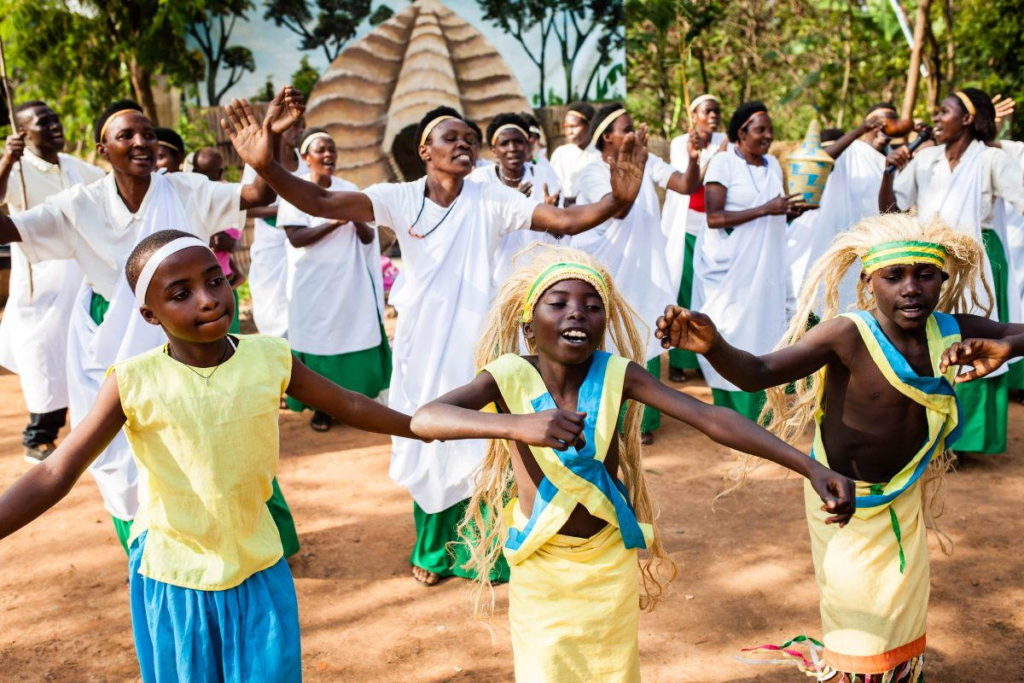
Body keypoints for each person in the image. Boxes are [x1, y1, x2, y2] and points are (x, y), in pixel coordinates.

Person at [221, 96, 649, 585]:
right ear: (425, 150)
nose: (463, 144)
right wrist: (267, 166)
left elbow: (566, 222)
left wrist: (617, 201)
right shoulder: (400, 197)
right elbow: (319, 204)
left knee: (488, 440)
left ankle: (490, 551)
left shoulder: (491, 199)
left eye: (469, 139)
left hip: (481, 345)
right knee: (429, 440)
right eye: (451, 138)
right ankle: (433, 553)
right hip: (421, 345)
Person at [410, 245, 854, 682]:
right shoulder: (507, 375)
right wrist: (517, 425)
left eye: (591, 306)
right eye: (558, 302)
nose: (577, 313)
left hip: (608, 562)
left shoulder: (618, 374)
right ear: (529, 323)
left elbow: (711, 418)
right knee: (547, 668)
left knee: (613, 670)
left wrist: (810, 466)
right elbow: (427, 419)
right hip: (541, 564)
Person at [0, 229, 420, 681]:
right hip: (175, 574)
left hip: (256, 563)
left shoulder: (269, 357)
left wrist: (419, 426)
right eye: (181, 294)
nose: (208, 299)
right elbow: (56, 472)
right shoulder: (134, 380)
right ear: (150, 314)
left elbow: (350, 404)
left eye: (215, 281)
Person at [657, 213, 1024, 681]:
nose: (911, 288)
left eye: (925, 274)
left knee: (903, 605)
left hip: (902, 496)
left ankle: (901, 672)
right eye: (894, 276)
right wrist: (714, 347)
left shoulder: (949, 329)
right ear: (870, 282)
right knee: (856, 615)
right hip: (842, 498)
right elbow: (759, 373)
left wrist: (1009, 347)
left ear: (942, 279)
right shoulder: (847, 334)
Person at [0, 89, 298, 556]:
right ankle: (151, 556)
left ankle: (257, 543)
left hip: (189, 338)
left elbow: (257, 193)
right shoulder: (78, 203)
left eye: (147, 133)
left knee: (219, 436)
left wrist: (270, 145)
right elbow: (7, 230)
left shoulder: (184, 189)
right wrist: (3, 166)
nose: (142, 141)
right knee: (119, 458)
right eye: (126, 134)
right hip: (110, 342)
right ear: (103, 149)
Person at [880, 87, 1024, 454]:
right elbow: (892, 209)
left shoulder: (991, 160)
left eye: (945, 111)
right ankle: (931, 430)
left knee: (977, 329)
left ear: (968, 118)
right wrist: (888, 171)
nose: (937, 119)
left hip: (982, 257)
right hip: (929, 262)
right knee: (933, 334)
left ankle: (970, 439)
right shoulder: (926, 161)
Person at [572, 102, 712, 443]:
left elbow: (685, 185)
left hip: (645, 266)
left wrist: (693, 158)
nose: (634, 133)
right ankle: (610, 423)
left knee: (644, 333)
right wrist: (629, 175)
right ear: (607, 136)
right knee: (611, 338)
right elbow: (616, 211)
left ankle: (642, 423)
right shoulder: (589, 170)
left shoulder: (647, 161)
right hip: (611, 266)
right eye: (626, 128)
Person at [0, 101, 104, 463]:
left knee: (83, 353)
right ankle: (38, 438)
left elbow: (109, 186)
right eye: (44, 122)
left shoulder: (74, 166)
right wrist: (6, 163)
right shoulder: (18, 170)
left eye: (56, 118)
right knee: (45, 361)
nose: (56, 125)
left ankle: (91, 434)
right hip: (40, 288)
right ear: (24, 133)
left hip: (77, 278)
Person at [691, 100, 807, 420]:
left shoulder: (771, 165)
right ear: (741, 132)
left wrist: (787, 212)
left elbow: (771, 212)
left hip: (765, 266)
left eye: (770, 130)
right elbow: (714, 217)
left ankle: (764, 414)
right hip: (728, 266)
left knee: (765, 331)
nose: (768, 136)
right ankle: (731, 416)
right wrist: (766, 210)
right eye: (760, 130)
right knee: (731, 332)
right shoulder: (723, 164)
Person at [278, 128, 391, 431]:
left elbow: (368, 237)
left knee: (352, 333)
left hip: (348, 281)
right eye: (321, 150)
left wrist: (354, 217)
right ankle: (322, 409)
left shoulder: (348, 188)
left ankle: (355, 403)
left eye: (332, 150)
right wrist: (335, 219)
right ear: (306, 157)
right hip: (313, 284)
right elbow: (297, 237)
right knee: (318, 341)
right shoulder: (295, 189)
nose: (328, 155)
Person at [786, 104, 894, 315]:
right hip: (841, 237)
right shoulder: (850, 151)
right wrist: (858, 130)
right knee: (834, 297)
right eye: (879, 122)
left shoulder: (891, 159)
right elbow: (820, 161)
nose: (885, 127)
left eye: (891, 122)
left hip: (874, 241)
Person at [659, 94, 727, 382]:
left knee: (710, 294)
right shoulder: (681, 142)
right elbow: (692, 180)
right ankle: (678, 358)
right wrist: (710, 156)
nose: (713, 115)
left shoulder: (725, 139)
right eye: (706, 111)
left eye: (716, 110)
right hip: (687, 227)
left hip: (714, 229)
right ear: (694, 116)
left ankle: (706, 358)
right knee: (684, 291)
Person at [469, 112, 563, 284]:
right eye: (505, 143)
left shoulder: (544, 175)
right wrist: (511, 205)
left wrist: (552, 216)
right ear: (494, 150)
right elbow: (475, 230)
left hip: (538, 275)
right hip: (495, 278)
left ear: (527, 145)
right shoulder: (481, 180)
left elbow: (560, 234)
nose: (512, 148)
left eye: (518, 141)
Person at [245, 117, 308, 338]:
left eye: (301, 125)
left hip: (302, 242)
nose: (297, 130)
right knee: (272, 308)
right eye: (292, 125)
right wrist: (286, 210)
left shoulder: (306, 162)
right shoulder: (258, 161)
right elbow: (248, 207)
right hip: (270, 245)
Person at [191, 146, 245, 334]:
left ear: (219, 172)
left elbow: (227, 241)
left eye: (207, 174)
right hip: (205, 285)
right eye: (197, 173)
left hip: (221, 281)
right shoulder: (192, 195)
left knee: (229, 341)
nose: (201, 179)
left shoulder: (224, 196)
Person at [548, 101, 595, 203]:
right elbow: (554, 184)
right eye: (566, 127)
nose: (569, 132)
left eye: (574, 126)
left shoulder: (600, 153)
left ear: (589, 125)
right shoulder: (561, 153)